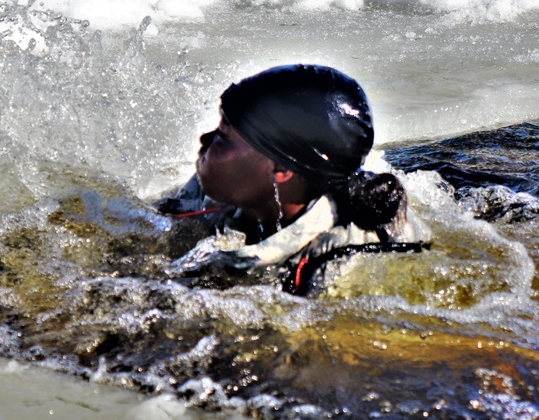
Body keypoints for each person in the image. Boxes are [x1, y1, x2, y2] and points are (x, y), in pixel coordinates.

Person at [154, 64, 429, 294]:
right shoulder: (223, 192)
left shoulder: (345, 265)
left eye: (224, 137)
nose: (205, 139)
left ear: (281, 170)